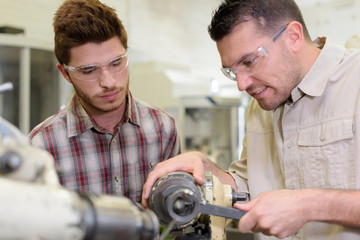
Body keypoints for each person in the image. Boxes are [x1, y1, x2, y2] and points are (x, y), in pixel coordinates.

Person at [142, 0, 360, 239]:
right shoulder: (261, 104)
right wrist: (209, 169)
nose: (241, 84)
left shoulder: (354, 82)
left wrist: (310, 204)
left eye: (249, 62)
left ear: (294, 37)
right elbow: (248, 186)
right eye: (232, 71)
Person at [29, 0, 181, 203]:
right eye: (89, 70)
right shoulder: (42, 146)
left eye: (116, 63)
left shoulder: (163, 128)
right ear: (65, 73)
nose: (109, 82)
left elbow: (174, 220)